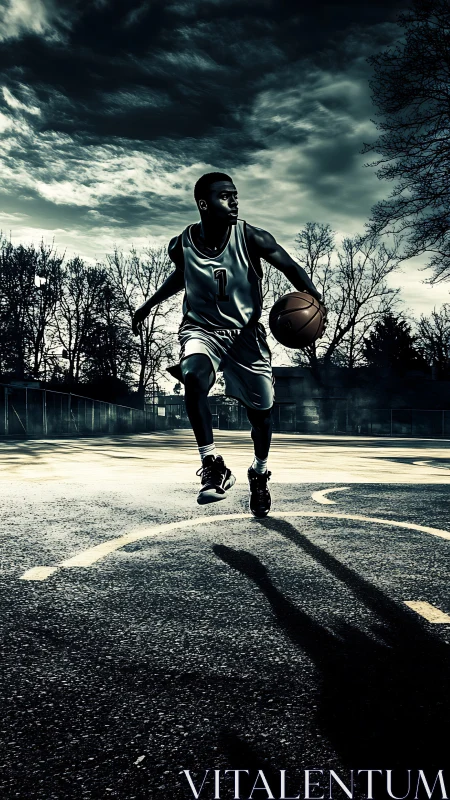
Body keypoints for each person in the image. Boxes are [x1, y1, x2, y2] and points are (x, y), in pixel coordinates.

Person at [132, 172, 323, 517]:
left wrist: (315, 298)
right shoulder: (181, 244)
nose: (234, 201)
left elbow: (290, 265)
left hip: (245, 336)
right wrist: (149, 304)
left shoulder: (251, 237)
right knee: (193, 377)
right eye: (225, 196)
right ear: (204, 204)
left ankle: (259, 472)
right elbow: (183, 275)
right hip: (201, 329)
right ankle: (212, 464)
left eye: (235, 195)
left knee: (261, 417)